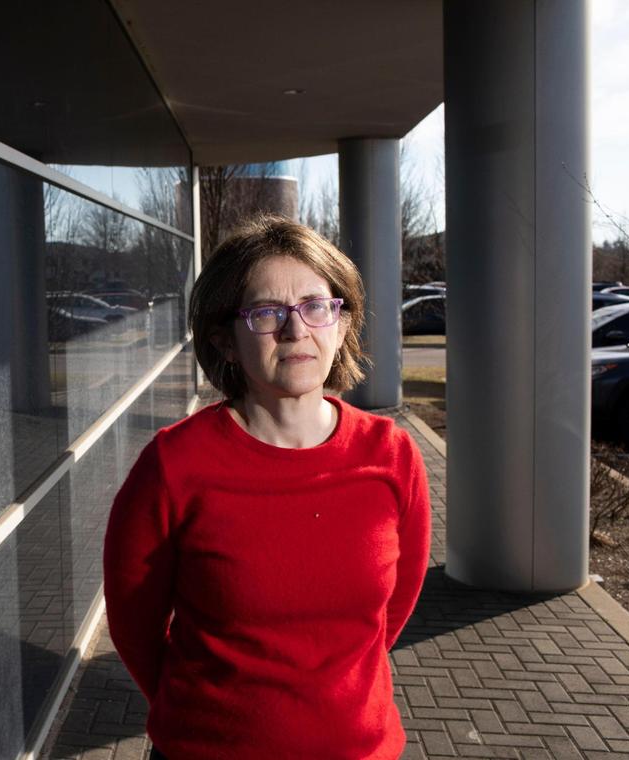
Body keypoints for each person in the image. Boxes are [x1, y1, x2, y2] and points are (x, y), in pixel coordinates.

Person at [103, 216, 431, 759]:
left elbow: (391, 613)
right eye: (266, 313)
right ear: (224, 341)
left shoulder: (391, 456)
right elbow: (134, 628)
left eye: (315, 306)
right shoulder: (173, 466)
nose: (295, 330)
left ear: (342, 324)